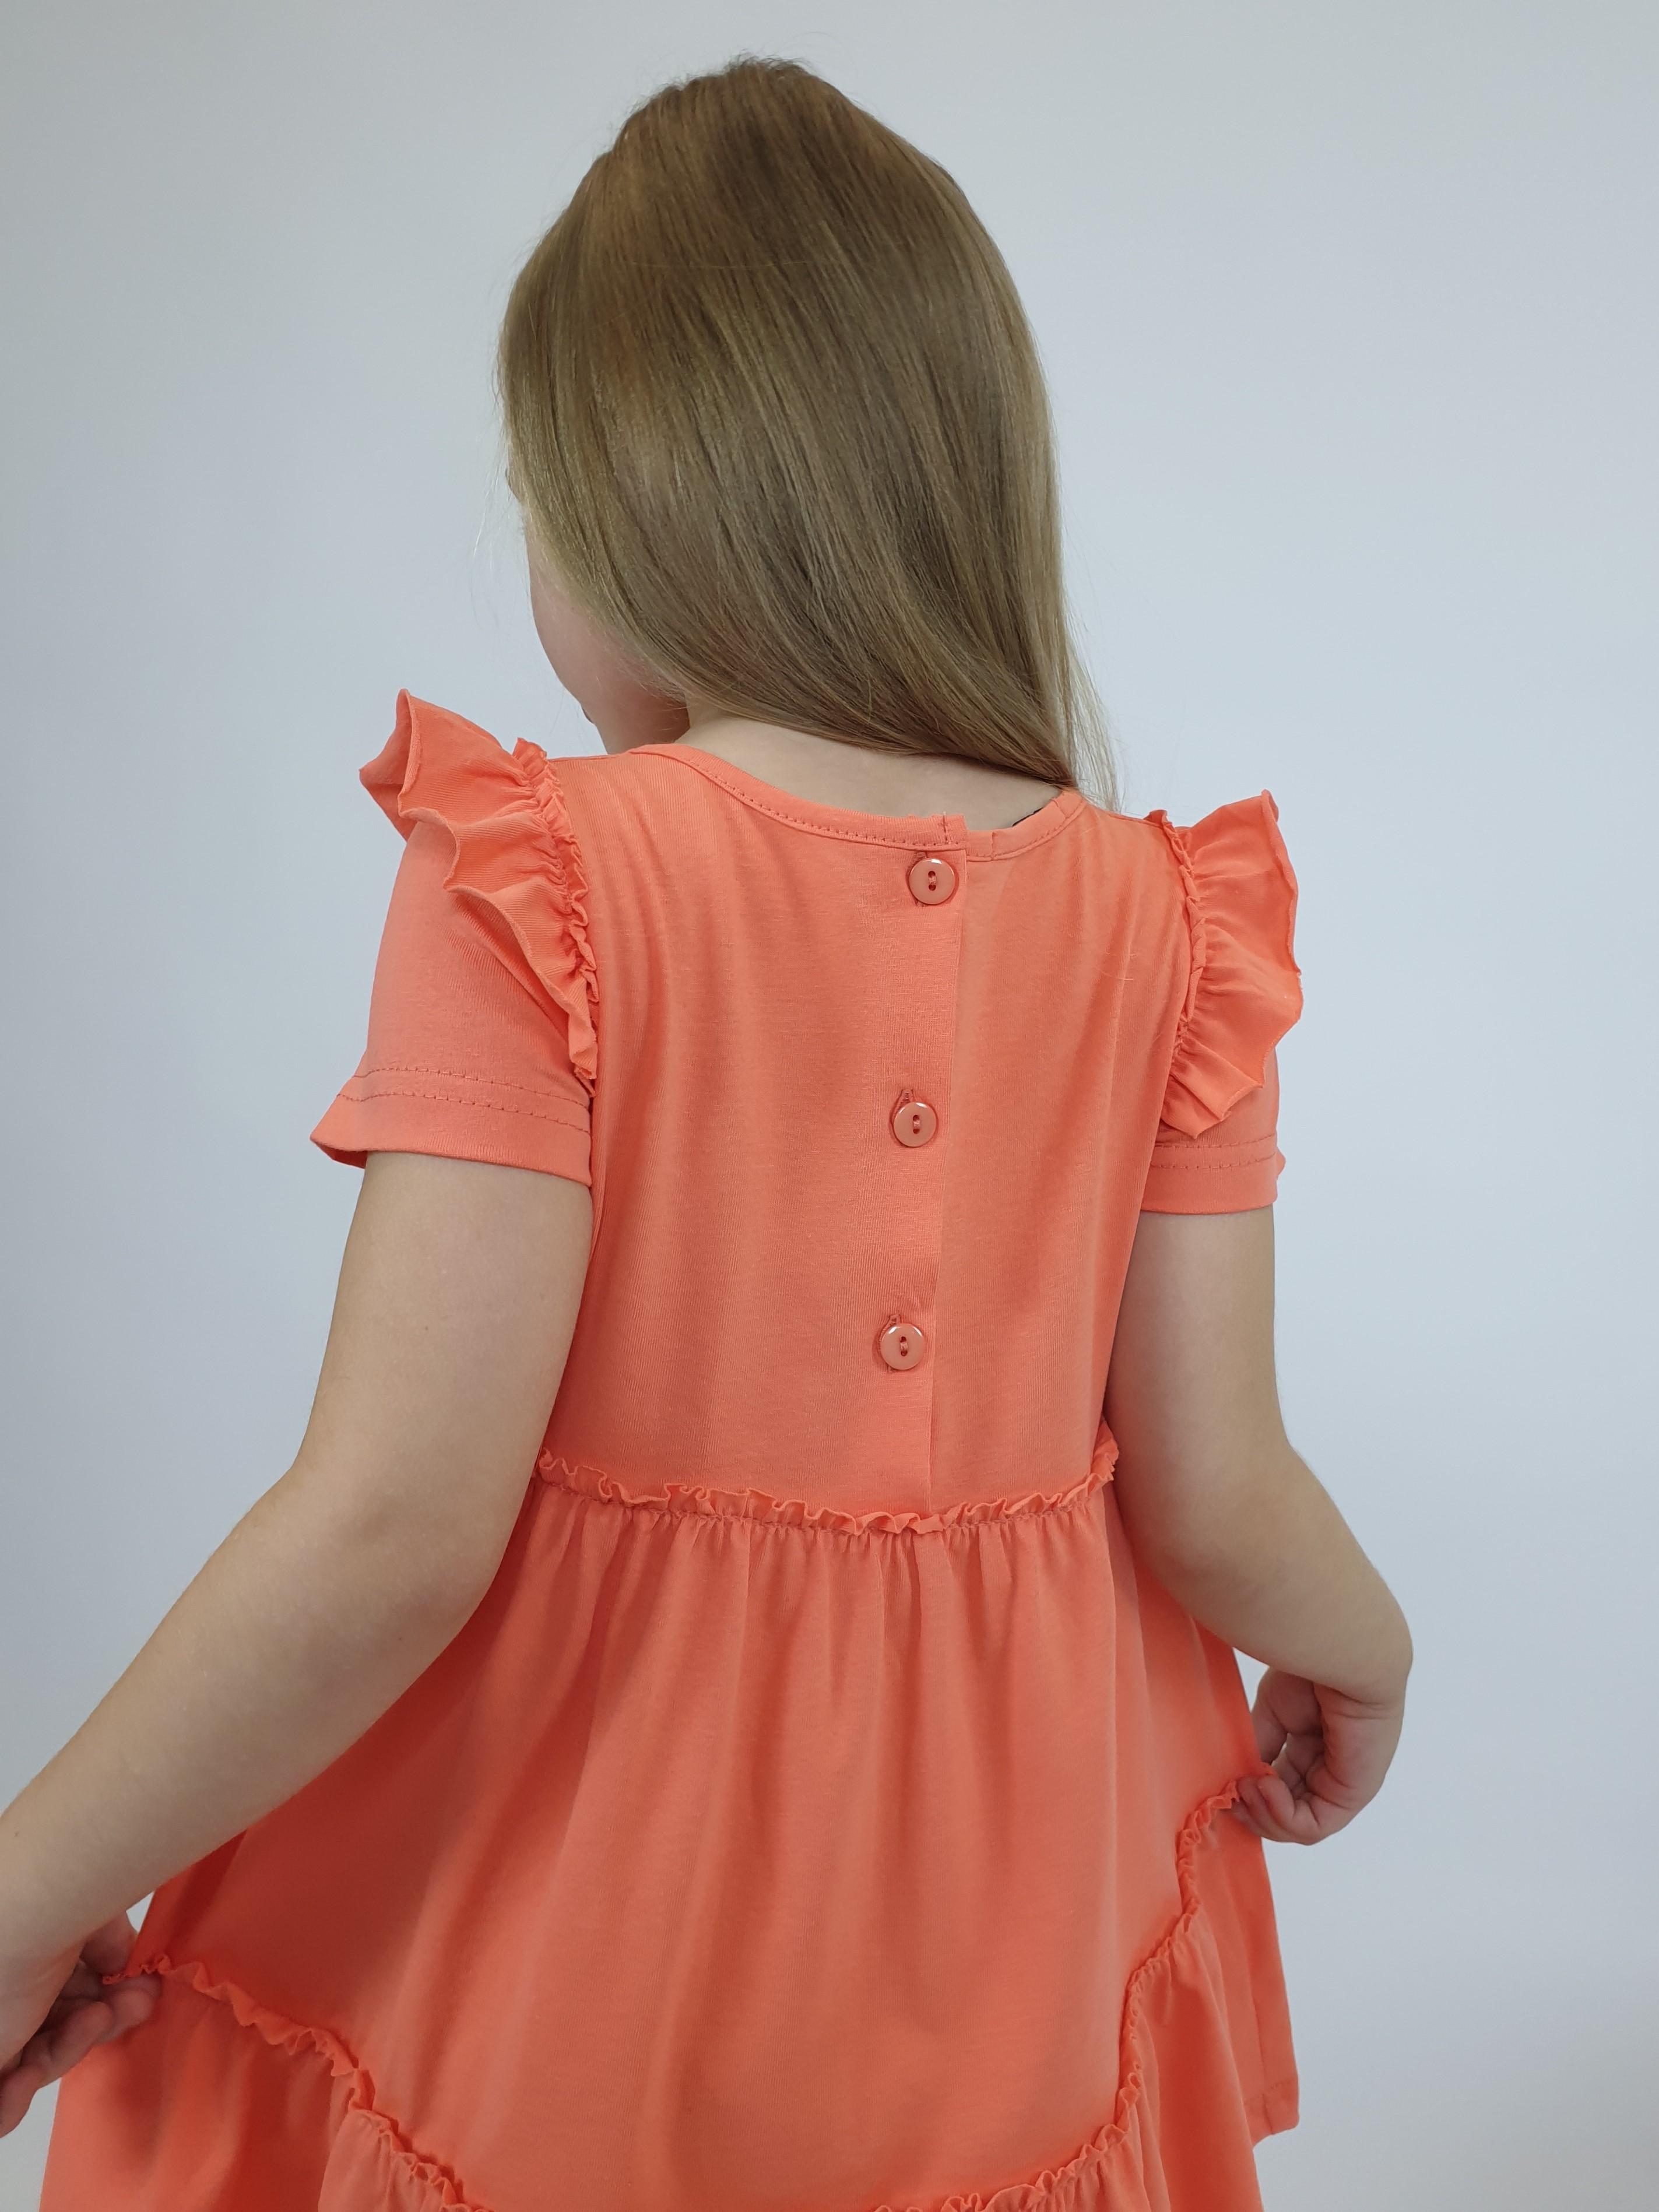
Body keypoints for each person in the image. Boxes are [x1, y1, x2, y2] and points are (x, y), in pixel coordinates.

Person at [5, 53, 1411, 2212]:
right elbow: (1222, 1487)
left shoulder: (543, 881)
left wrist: (27, 1887)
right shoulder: (1173, 927)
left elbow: (391, 1525)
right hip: (1003, 1962)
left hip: (562, 1951)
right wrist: (1365, 1649)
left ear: (644, 500)